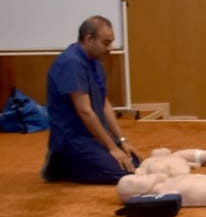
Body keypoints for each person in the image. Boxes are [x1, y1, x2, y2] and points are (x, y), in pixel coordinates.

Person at [41, 16, 141, 184]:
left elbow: (104, 103)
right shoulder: (71, 63)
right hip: (73, 140)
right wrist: (112, 148)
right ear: (89, 39)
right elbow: (85, 111)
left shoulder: (95, 61)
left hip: (91, 136)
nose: (110, 48)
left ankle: (83, 162)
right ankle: (61, 165)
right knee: (123, 173)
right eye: (106, 43)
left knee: (134, 163)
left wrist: (122, 141)